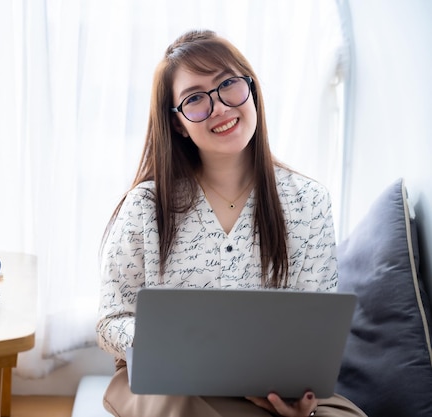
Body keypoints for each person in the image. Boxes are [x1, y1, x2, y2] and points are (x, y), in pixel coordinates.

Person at [96, 29, 367, 417]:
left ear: (251, 90)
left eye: (228, 85)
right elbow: (110, 321)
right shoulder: (146, 205)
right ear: (178, 124)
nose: (220, 107)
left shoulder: (309, 201)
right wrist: (165, 343)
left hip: (275, 389)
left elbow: (316, 328)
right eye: (195, 100)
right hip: (168, 384)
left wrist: (298, 397)